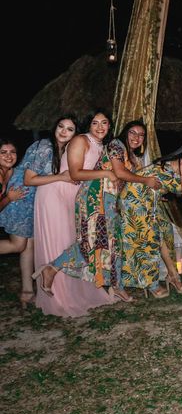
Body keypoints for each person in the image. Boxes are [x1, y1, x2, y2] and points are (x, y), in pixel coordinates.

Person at [32, 111, 124, 316]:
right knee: (64, 240)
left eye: (104, 122)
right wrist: (107, 173)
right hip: (56, 192)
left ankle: (64, 281)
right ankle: (59, 295)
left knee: (78, 239)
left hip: (76, 194)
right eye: (94, 122)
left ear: (110, 125)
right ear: (88, 125)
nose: (100, 127)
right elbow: (75, 173)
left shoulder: (103, 146)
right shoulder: (81, 140)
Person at [119, 131, 182, 298]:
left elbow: (171, 186)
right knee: (148, 237)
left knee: (165, 229)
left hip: (148, 197)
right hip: (136, 196)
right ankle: (152, 284)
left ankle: (172, 274)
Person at [0, 118, 78, 309]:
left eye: (70, 129)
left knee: (29, 246)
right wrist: (61, 177)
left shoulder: (64, 151)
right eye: (60, 126)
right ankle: (27, 291)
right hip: (21, 197)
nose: (63, 131)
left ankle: (27, 292)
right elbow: (28, 179)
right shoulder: (44, 145)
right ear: (54, 128)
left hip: (33, 201)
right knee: (18, 245)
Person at [0, 139, 29, 306]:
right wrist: (9, 198)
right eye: (3, 152)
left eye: (12, 152)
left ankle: (27, 291)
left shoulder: (10, 171)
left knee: (19, 245)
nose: (9, 156)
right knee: (18, 245)